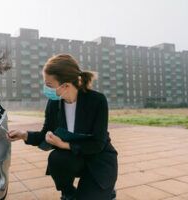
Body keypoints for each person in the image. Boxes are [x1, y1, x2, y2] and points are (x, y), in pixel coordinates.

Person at [8, 54, 118, 200]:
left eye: (49, 85)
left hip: (99, 159)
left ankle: (106, 191)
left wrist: (63, 144)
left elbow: (98, 144)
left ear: (65, 85)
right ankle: (68, 192)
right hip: (75, 158)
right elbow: (45, 133)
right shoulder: (54, 103)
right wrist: (24, 135)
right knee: (57, 159)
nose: (45, 89)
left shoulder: (97, 100)